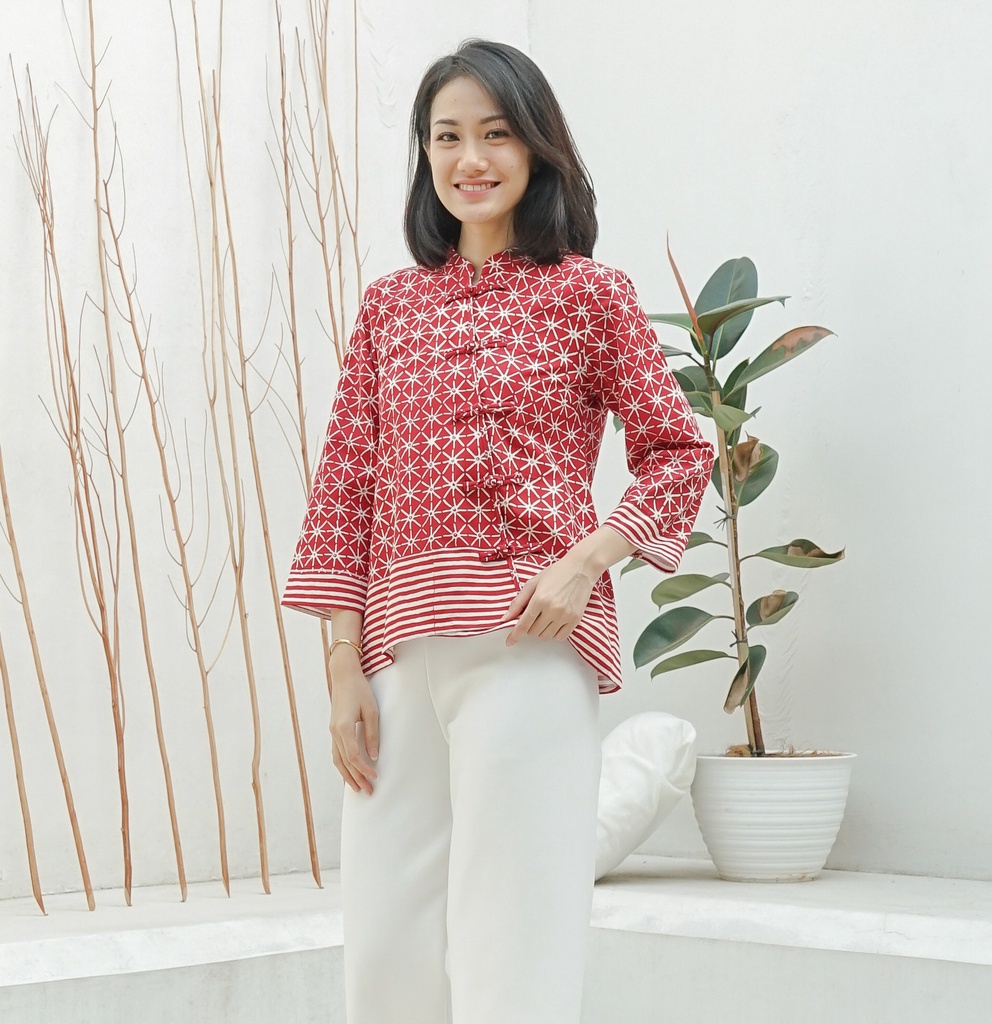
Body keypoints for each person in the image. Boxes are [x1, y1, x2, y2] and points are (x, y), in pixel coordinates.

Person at [282, 38, 714, 1024]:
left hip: (529, 644)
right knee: (386, 934)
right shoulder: (390, 308)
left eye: (495, 134)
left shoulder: (589, 294)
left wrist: (584, 563)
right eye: (447, 138)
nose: (470, 159)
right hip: (397, 656)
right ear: (425, 155)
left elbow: (677, 451)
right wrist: (342, 667)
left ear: (535, 148)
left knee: (512, 936)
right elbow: (345, 489)